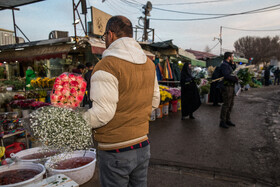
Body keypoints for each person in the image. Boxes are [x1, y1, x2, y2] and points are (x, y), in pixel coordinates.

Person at [83, 16, 160, 187]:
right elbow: (155, 101)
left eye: (104, 37)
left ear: (110, 35)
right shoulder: (148, 64)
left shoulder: (106, 65)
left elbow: (102, 114)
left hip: (115, 149)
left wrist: (77, 121)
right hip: (142, 144)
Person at [219, 52, 238, 129]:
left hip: (231, 86)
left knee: (231, 104)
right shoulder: (224, 65)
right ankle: (222, 121)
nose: (233, 58)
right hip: (226, 87)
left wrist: (233, 64)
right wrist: (235, 78)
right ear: (228, 57)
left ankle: (228, 119)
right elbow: (226, 76)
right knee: (226, 104)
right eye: (232, 57)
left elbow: (233, 70)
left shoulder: (228, 65)